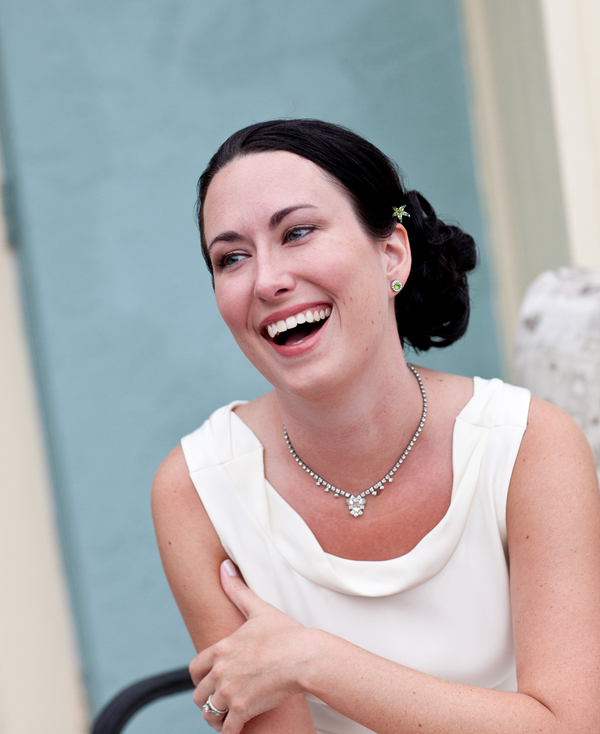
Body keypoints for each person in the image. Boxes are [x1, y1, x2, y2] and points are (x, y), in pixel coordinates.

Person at [152, 118, 600, 734]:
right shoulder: (197, 490)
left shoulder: (528, 447)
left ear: (391, 253)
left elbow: (569, 726)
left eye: (298, 232)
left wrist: (314, 661)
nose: (267, 280)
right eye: (231, 257)